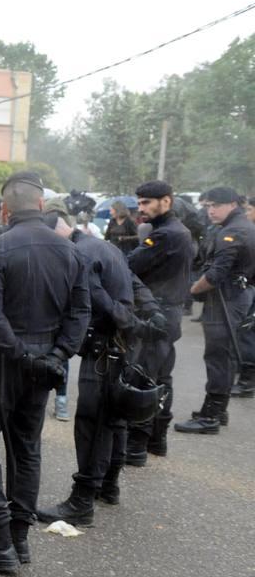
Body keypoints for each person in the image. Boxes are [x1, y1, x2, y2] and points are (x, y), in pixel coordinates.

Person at [0, 173, 90, 573]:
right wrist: (58, 354)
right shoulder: (68, 250)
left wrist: (29, 355)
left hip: (5, 362)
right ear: (42, 206)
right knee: (26, 446)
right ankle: (17, 538)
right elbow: (81, 312)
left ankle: (0, 539)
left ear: (6, 210)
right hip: (42, 358)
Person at [36, 209, 148, 526]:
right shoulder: (101, 245)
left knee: (92, 421)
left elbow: (98, 300)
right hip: (119, 344)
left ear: (58, 232)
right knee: (113, 418)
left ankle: (82, 500)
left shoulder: (79, 254)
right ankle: (108, 485)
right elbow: (132, 283)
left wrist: (127, 323)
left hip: (104, 346)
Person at [175, 187, 255, 434]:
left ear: (232, 204)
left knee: (218, 357)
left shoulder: (234, 231)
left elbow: (214, 275)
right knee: (224, 356)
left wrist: (188, 292)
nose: (210, 211)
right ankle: (218, 411)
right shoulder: (242, 226)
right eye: (208, 206)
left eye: (215, 205)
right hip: (237, 294)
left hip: (225, 297)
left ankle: (211, 417)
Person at [124, 181, 194, 460]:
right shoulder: (177, 231)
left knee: (144, 376)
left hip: (157, 313)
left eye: (146, 203)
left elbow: (131, 263)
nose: (141, 209)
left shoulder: (166, 234)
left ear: (166, 201)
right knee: (161, 377)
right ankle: (155, 440)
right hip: (168, 312)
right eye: (139, 203)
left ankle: (137, 444)